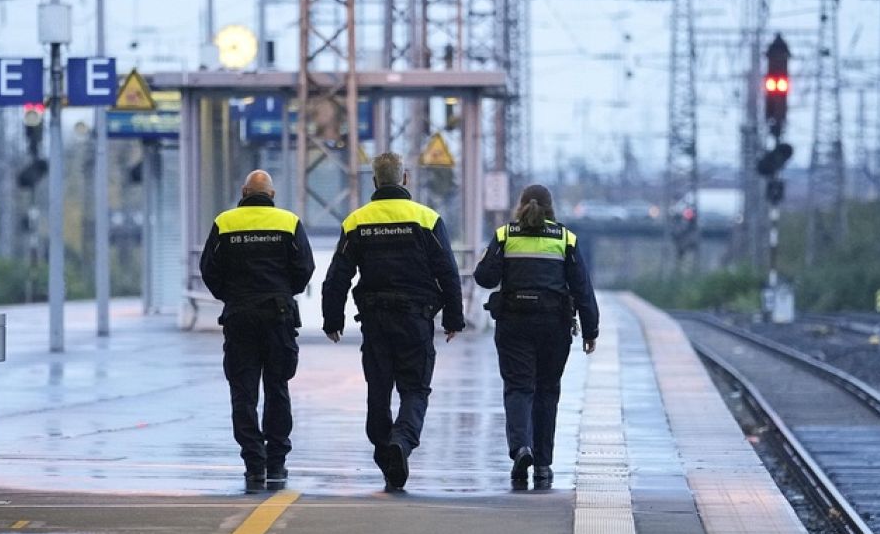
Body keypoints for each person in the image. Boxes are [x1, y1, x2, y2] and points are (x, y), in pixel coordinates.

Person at [321, 152, 465, 490]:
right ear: (405, 179)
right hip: (415, 319)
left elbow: (338, 275)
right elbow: (448, 271)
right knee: (415, 389)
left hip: (375, 321)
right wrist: (454, 318)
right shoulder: (426, 219)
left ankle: (385, 448)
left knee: (379, 388)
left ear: (374, 181)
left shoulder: (357, 220)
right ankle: (401, 442)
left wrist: (333, 319)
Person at [473, 184, 599, 489]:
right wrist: (591, 329)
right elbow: (582, 288)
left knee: (518, 388)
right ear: (551, 207)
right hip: (554, 326)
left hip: (514, 324)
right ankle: (542, 464)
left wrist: (488, 257)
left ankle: (521, 449)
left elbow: (484, 278)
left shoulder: (505, 235)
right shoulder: (566, 238)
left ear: (521, 205)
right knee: (546, 391)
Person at [201, 170, 315, 491]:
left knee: (243, 391)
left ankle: (254, 463)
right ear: (272, 195)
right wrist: (283, 291)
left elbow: (209, 269)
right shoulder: (288, 222)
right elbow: (305, 268)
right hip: (279, 316)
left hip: (239, 317)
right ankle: (276, 460)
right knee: (277, 386)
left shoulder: (225, 223)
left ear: (243, 191)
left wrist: (230, 296)